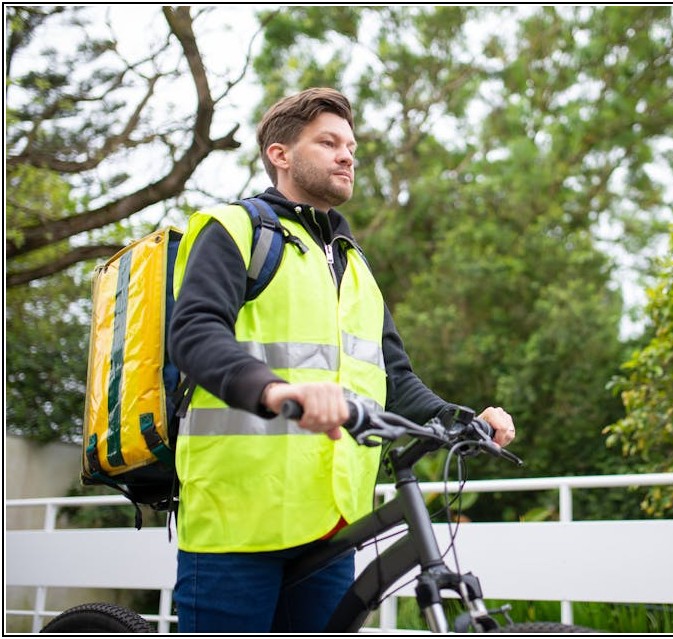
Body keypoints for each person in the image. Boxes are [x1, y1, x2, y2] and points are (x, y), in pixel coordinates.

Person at [168, 87, 516, 633]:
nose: (347, 154)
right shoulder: (233, 229)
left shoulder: (355, 265)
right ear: (280, 155)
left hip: (333, 527)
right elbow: (194, 332)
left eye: (351, 145)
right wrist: (276, 391)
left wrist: (461, 421)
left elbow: (394, 378)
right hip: (238, 517)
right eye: (328, 142)